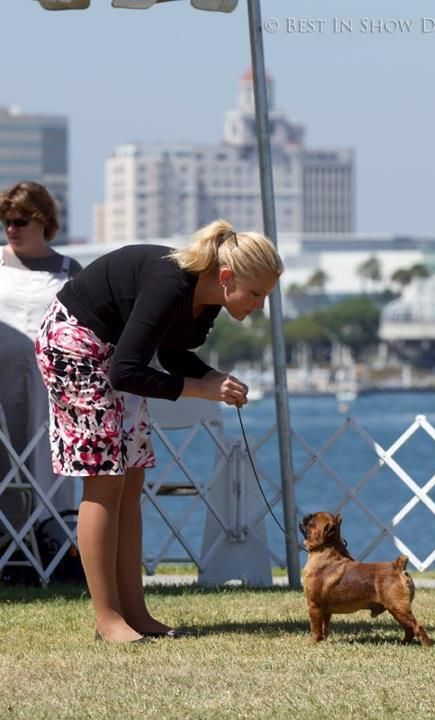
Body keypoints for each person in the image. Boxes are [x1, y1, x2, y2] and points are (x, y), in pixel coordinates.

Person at [35, 218, 283, 642]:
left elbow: (171, 353)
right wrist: (199, 389)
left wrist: (212, 378)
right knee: (105, 483)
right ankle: (108, 619)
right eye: (256, 293)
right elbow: (127, 371)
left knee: (131, 483)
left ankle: (136, 614)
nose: (260, 304)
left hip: (114, 358)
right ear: (226, 278)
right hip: (74, 348)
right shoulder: (171, 285)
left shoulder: (205, 303)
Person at [0, 181, 82, 565]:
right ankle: (9, 542)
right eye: (5, 221)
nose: (11, 229)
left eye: (19, 220)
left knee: (49, 459)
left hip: (52, 387)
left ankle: (55, 540)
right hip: (3, 381)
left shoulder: (69, 269)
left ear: (43, 221)